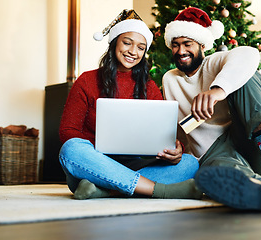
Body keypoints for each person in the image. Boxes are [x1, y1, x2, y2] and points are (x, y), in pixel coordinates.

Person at [59, 10, 201, 200]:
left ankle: (105, 190)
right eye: (127, 43)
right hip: (94, 164)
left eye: (141, 48)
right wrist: (100, 156)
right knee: (71, 150)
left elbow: (163, 133)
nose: (133, 52)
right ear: (114, 42)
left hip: (135, 165)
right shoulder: (87, 80)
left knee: (189, 162)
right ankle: (157, 190)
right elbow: (67, 131)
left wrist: (176, 149)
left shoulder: (149, 87)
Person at [162, 7, 261, 212]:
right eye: (175, 45)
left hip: (251, 139)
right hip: (214, 151)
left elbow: (249, 54)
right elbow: (175, 126)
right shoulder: (169, 79)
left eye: (187, 44)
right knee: (219, 172)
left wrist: (217, 91)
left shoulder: (215, 62)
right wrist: (176, 147)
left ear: (202, 45)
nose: (181, 51)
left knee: (249, 75)